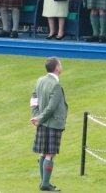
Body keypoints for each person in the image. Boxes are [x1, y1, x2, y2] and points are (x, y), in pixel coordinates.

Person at [30, 57, 67, 192]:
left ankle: (43, 183)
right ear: (57, 68)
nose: (61, 66)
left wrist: (35, 116)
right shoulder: (56, 85)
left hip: (43, 123)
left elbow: (34, 98)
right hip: (53, 123)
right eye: (60, 64)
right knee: (50, 154)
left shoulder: (40, 80)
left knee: (43, 152)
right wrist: (39, 118)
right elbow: (51, 108)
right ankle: (45, 184)